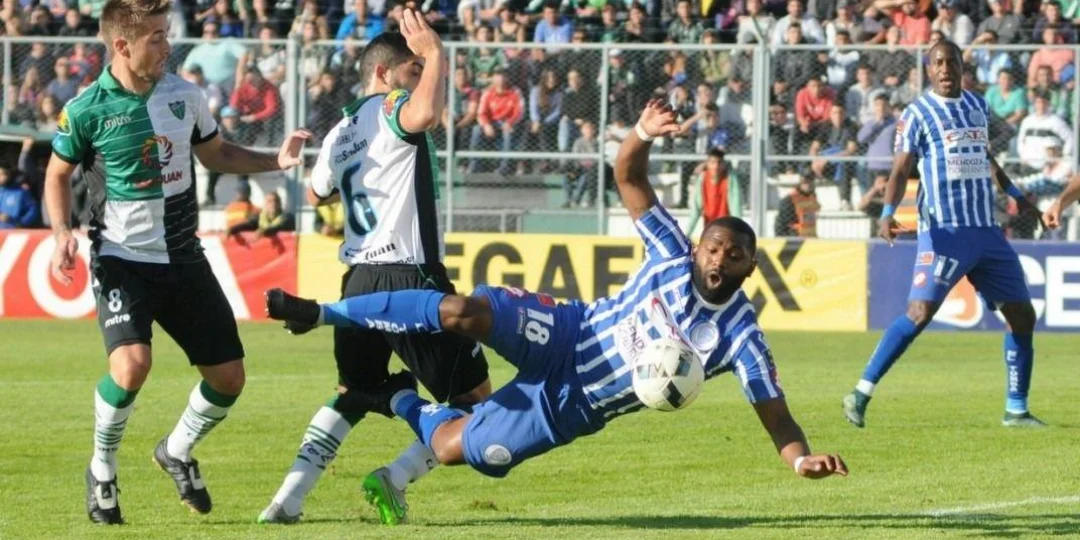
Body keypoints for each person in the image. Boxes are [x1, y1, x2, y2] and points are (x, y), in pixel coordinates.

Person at [265, 99, 849, 497]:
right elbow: (629, 178)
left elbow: (776, 414)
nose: (720, 260)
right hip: (570, 329)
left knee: (454, 447)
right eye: (714, 248)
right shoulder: (672, 252)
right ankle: (322, 312)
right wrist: (643, 133)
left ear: (750, 268)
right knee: (462, 312)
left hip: (574, 403)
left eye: (735, 255)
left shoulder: (741, 337)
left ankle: (392, 396)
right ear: (699, 247)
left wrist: (801, 459)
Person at [44, 0, 312, 525]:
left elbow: (216, 154)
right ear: (122, 45)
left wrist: (274, 161)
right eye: (157, 38)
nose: (168, 47)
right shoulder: (85, 109)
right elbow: (56, 173)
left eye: (167, 35)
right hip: (121, 259)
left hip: (183, 257)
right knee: (132, 366)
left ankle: (177, 450)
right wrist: (59, 235)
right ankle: (102, 469)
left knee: (229, 378)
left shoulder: (185, 96)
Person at [258, 14, 492, 526]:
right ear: (384, 74)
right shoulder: (393, 108)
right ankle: (397, 474)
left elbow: (316, 193)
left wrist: (325, 165)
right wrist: (436, 53)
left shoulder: (339, 131)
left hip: (359, 281)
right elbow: (424, 112)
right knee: (477, 404)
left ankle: (286, 501)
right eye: (412, 71)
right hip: (410, 278)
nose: (419, 80)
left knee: (352, 393)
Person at [842, 40, 1044, 429]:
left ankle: (1016, 410)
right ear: (929, 70)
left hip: (986, 232)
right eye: (938, 63)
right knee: (919, 313)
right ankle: (860, 392)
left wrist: (1019, 197)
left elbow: (986, 158)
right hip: (944, 231)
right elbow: (901, 169)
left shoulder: (977, 106)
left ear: (962, 66)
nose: (945, 68)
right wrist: (887, 212)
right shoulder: (917, 113)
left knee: (1022, 314)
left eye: (952, 61)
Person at [687, 148, 742, 236]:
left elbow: (736, 208)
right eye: (713, 162)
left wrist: (738, 231)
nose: (716, 166)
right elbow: (695, 210)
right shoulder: (702, 179)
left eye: (719, 163)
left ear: (724, 164)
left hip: (727, 229)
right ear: (707, 164)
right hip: (709, 228)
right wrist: (686, 234)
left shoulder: (730, 179)